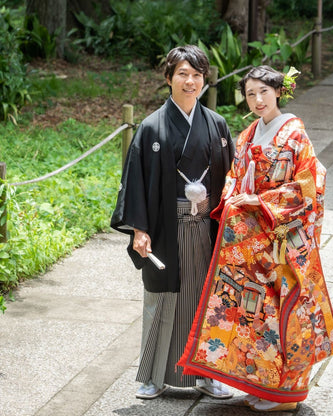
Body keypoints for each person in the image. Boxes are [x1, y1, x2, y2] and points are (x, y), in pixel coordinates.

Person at [178, 65, 333, 411]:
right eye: (250, 94)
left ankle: (287, 395)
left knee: (285, 309)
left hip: (281, 237)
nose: (257, 100)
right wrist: (236, 195)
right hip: (254, 239)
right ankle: (264, 386)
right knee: (256, 313)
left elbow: (310, 185)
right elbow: (235, 175)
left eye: (263, 93)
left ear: (279, 92)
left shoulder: (295, 133)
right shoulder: (248, 133)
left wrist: (260, 201)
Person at [110, 45, 235, 400]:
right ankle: (153, 375)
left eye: (197, 75)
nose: (190, 81)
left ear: (204, 80)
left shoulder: (217, 125)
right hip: (167, 225)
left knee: (208, 298)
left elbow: (232, 179)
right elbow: (135, 182)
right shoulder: (151, 127)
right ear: (168, 78)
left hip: (208, 228)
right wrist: (139, 228)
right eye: (182, 74)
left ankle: (209, 374)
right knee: (161, 297)